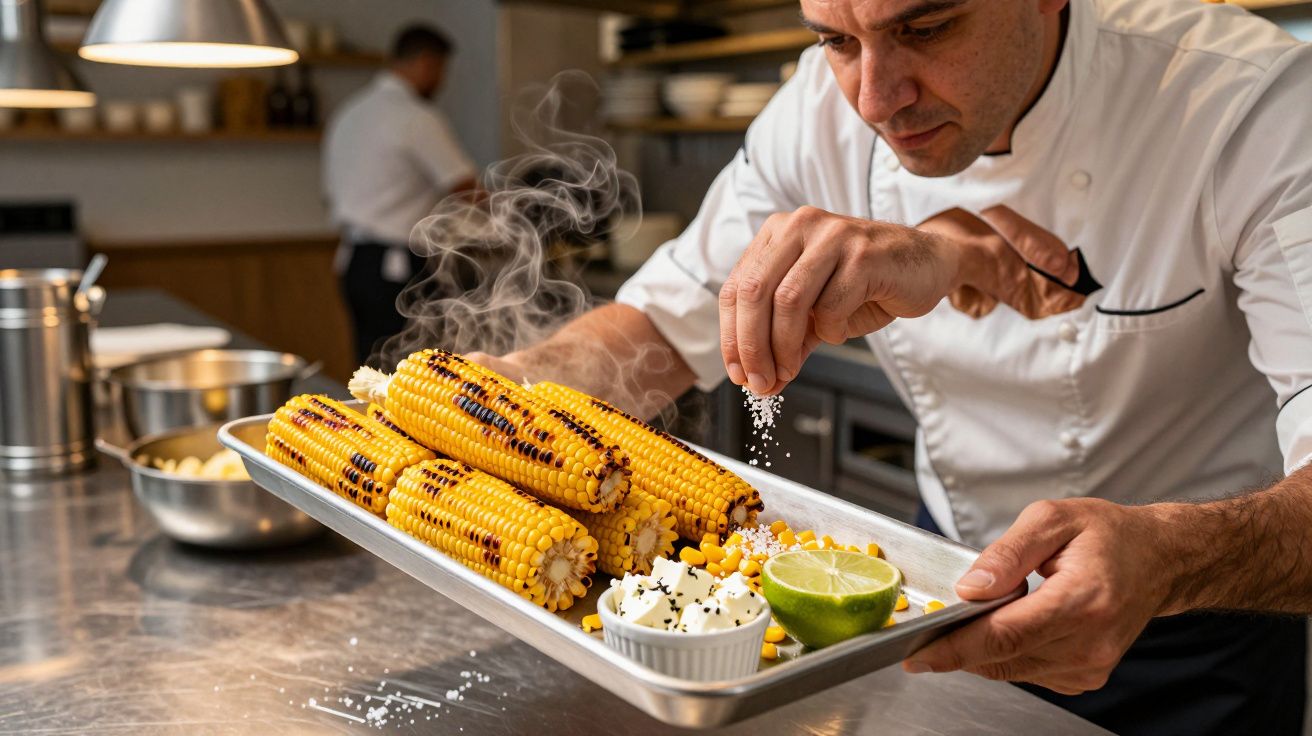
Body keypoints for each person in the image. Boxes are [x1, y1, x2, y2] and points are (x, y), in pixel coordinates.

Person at [469, 0, 1312, 733]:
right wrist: (511, 388)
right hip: (930, 593)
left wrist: (1171, 558)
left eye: (928, 26)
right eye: (836, 40)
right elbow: (663, 321)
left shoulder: (1249, 105)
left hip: (1199, 614)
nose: (875, 99)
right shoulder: (813, 114)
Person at [324, 24, 478, 366]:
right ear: (426, 62)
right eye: (441, 71)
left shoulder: (349, 113)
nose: (441, 82)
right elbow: (465, 186)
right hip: (395, 269)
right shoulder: (415, 117)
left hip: (352, 262)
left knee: (368, 367)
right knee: (409, 370)